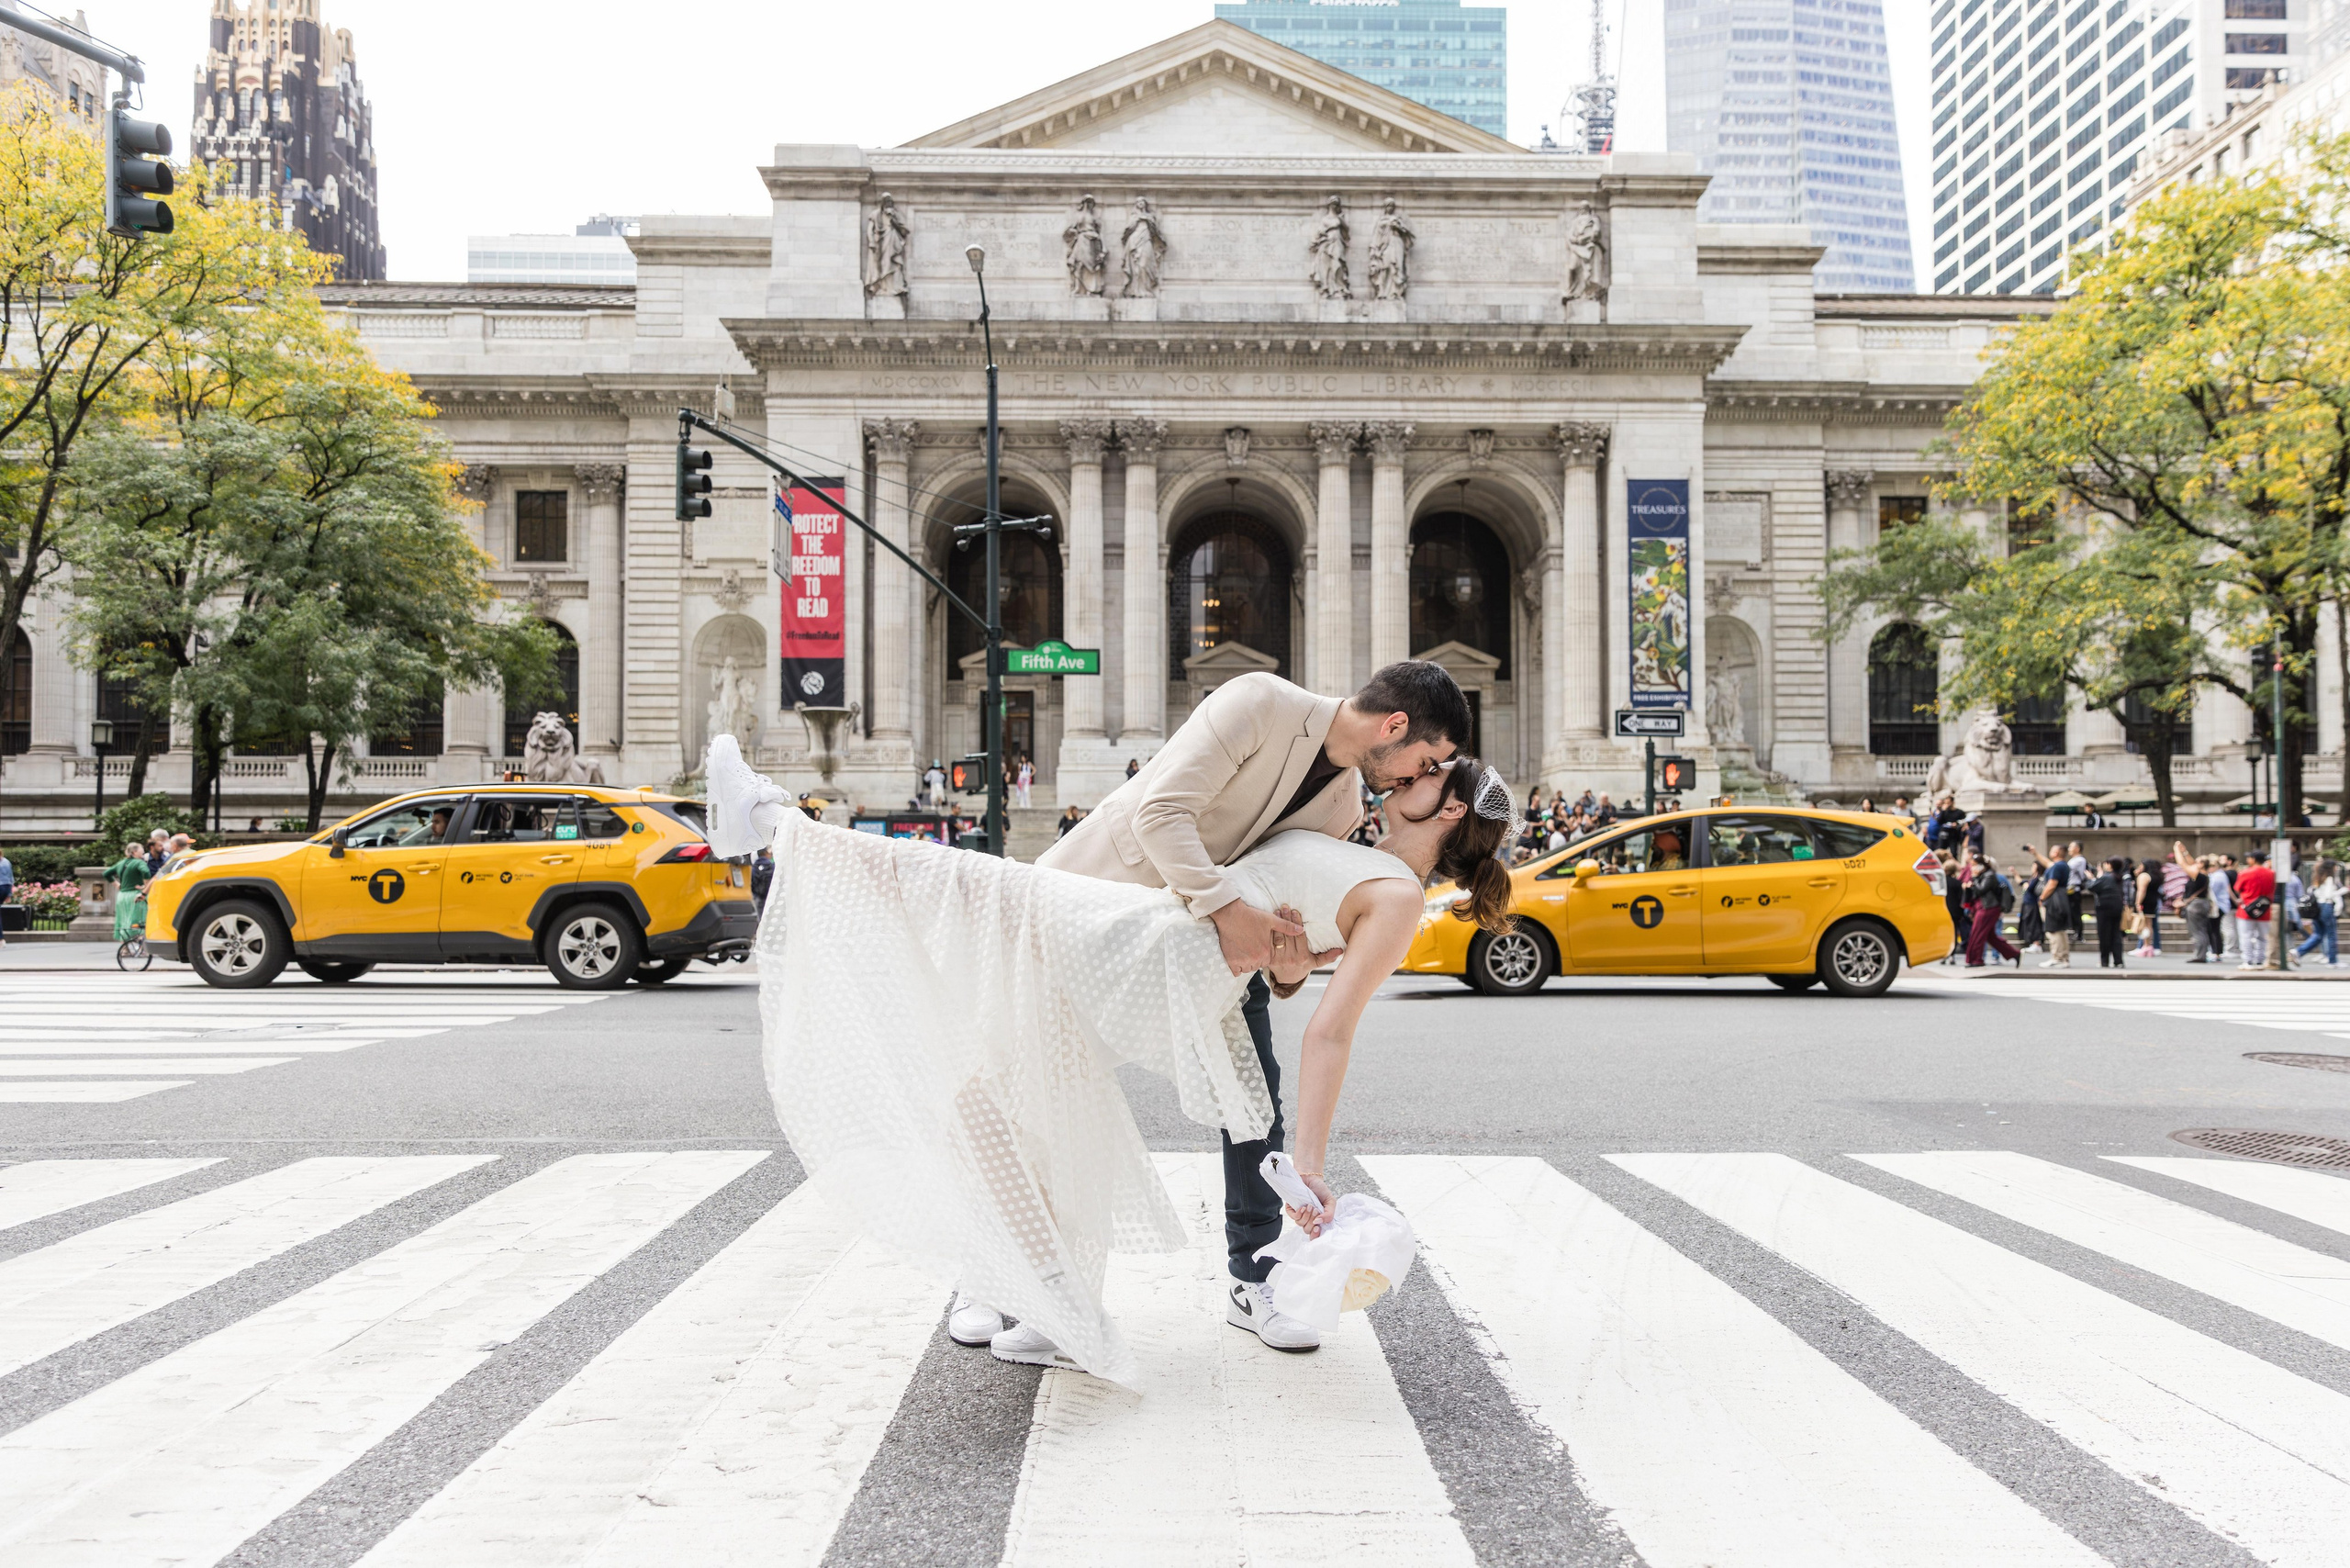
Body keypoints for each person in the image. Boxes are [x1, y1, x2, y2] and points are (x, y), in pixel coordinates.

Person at [706, 662, 1484, 1386]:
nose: (1420, 775)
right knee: (1001, 1082)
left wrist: (1275, 950)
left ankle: (1252, 1276)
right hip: (1108, 895)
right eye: (1427, 758)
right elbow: (1161, 813)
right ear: (1395, 727)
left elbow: (1295, 954)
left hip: (1197, 948)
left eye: (1435, 775)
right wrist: (1235, 913)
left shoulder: (1345, 807)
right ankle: (1001, 1274)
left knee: (1255, 1104)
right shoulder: (1261, 702)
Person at [1963, 853, 2020, 968]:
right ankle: (2014, 954)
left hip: (1988, 908)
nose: (1972, 867)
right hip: (1983, 908)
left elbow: (1981, 890)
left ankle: (1976, 959)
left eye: (1974, 865)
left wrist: (1974, 878)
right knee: (1990, 936)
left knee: (1978, 934)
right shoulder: (1982, 875)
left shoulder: (1989, 875)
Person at [2235, 850, 2277, 969]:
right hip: (2264, 908)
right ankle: (2260, 960)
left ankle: (2248, 961)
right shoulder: (2271, 873)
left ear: (2253, 859)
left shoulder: (2245, 873)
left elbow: (2238, 888)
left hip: (2246, 908)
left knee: (2246, 936)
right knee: (2263, 937)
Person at [2297, 858, 2342, 966]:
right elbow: (2329, 895)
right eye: (2335, 866)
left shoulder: (2319, 878)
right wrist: (2343, 890)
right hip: (2326, 906)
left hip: (2318, 907)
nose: (2337, 868)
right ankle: (2332, 960)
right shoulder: (2330, 878)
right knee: (2331, 934)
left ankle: (2298, 952)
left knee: (2318, 934)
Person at [105, 841, 151, 943]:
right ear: (134, 852)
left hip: (122, 896)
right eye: (142, 852)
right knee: (138, 920)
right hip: (135, 895)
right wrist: (146, 885)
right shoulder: (139, 862)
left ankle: (125, 948)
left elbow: (106, 873)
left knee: (123, 921)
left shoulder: (121, 863)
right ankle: (140, 947)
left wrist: (117, 885)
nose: (143, 854)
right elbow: (146, 872)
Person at [2089, 857, 2129, 968]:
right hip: (2117, 908)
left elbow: (2092, 886)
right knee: (2116, 934)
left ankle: (2104, 961)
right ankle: (2118, 961)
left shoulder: (2106, 877)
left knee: (2104, 934)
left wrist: (2092, 878)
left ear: (2110, 865)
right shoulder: (2119, 877)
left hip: (2104, 908)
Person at [2038, 851, 2074, 968]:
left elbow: (2052, 883)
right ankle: (2064, 958)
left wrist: (2042, 897)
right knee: (2060, 930)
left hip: (2054, 899)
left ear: (2057, 852)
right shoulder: (2063, 865)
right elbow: (2047, 863)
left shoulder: (2057, 866)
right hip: (2061, 898)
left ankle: (2057, 957)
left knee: (2053, 930)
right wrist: (2035, 853)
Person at [2181, 857, 2218, 962]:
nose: (2194, 863)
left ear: (2202, 864)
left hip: (2197, 905)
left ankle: (2200, 956)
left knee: (2198, 931)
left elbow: (2183, 864)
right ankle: (2201, 954)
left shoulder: (2200, 876)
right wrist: (2185, 852)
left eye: (2197, 862)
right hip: (2200, 904)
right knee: (2201, 930)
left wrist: (2177, 850)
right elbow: (2190, 863)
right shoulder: (2203, 875)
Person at [2132, 857, 2163, 958]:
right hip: (2153, 902)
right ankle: (2148, 946)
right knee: (2149, 925)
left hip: (2144, 902)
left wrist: (2137, 903)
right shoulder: (2155, 876)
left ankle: (2145, 946)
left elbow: (2141, 891)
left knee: (2144, 925)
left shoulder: (2144, 876)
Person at [2210, 853, 2237, 959]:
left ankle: (2228, 949)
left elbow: (2212, 891)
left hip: (2221, 905)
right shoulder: (2222, 874)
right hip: (2226, 905)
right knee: (2223, 928)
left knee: (2223, 928)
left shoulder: (2219, 876)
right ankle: (2224, 949)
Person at [749, 846, 774, 913]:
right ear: (765, 853)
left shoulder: (754, 867)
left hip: (760, 899)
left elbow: (752, 883)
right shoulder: (773, 866)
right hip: (772, 898)